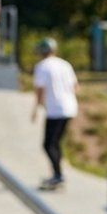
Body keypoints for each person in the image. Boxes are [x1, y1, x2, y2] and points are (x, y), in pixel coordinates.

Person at [31, 37, 79, 190]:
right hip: (70, 107)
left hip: (55, 110)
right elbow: (75, 86)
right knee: (56, 143)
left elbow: (40, 89)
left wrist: (36, 109)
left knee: (48, 144)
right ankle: (57, 174)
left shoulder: (42, 66)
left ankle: (58, 176)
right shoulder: (65, 64)